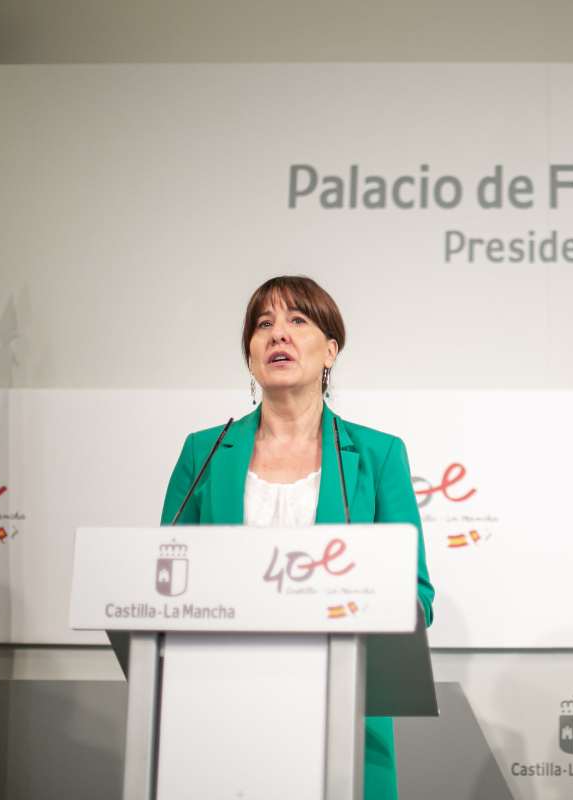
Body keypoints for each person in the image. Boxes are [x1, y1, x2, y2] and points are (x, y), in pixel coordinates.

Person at [161, 275, 435, 800]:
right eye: (263, 325)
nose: (277, 335)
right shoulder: (203, 453)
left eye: (296, 321)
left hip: (343, 708)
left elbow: (416, 593)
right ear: (250, 355)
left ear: (330, 350)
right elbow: (165, 582)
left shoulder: (378, 456)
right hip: (222, 712)